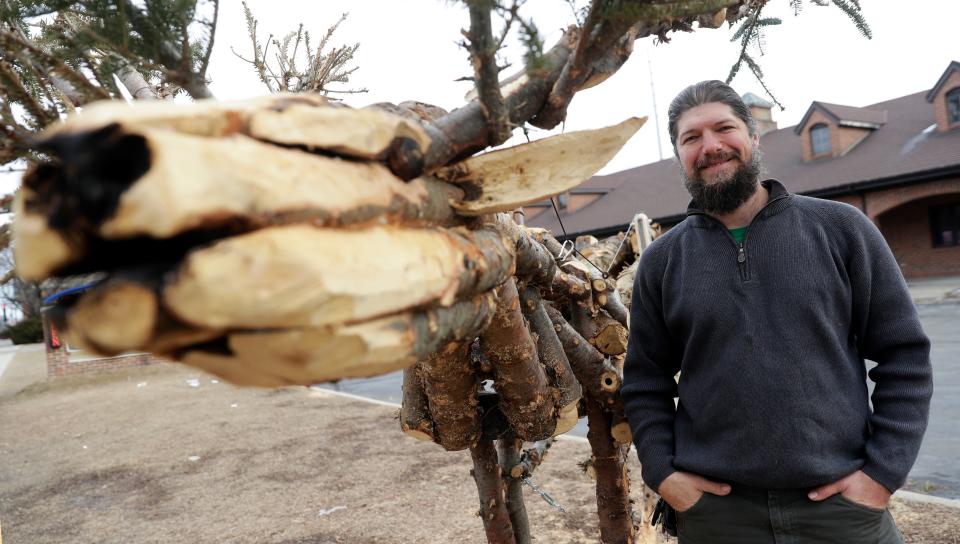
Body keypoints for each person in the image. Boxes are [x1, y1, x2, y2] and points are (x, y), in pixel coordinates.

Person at [621, 80, 933, 543]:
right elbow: (645, 381)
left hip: (841, 513)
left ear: (753, 137)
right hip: (718, 518)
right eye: (691, 138)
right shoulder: (663, 262)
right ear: (679, 155)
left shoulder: (841, 230)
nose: (711, 146)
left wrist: (882, 474)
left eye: (724, 128)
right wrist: (664, 475)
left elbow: (904, 356)